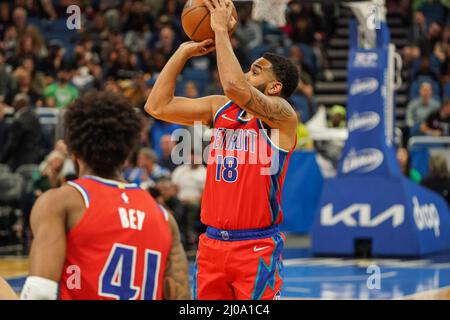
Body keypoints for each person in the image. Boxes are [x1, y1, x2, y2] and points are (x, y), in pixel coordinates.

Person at [145, 0, 299, 300]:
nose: (246, 72)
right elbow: (157, 105)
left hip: (256, 247)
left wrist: (219, 32)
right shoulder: (220, 108)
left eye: (256, 71)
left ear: (275, 87)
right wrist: (183, 52)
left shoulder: (283, 116)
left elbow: (235, 87)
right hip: (212, 244)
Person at [21, 91, 190, 300]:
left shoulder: (61, 202)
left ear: (74, 149)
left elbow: (39, 294)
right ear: (128, 154)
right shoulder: (164, 217)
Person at [0, 93, 45, 171]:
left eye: (14, 102)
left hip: (21, 162)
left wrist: (1, 160)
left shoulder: (19, 121)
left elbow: (11, 145)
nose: (13, 105)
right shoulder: (34, 117)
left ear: (21, 103)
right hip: (34, 159)